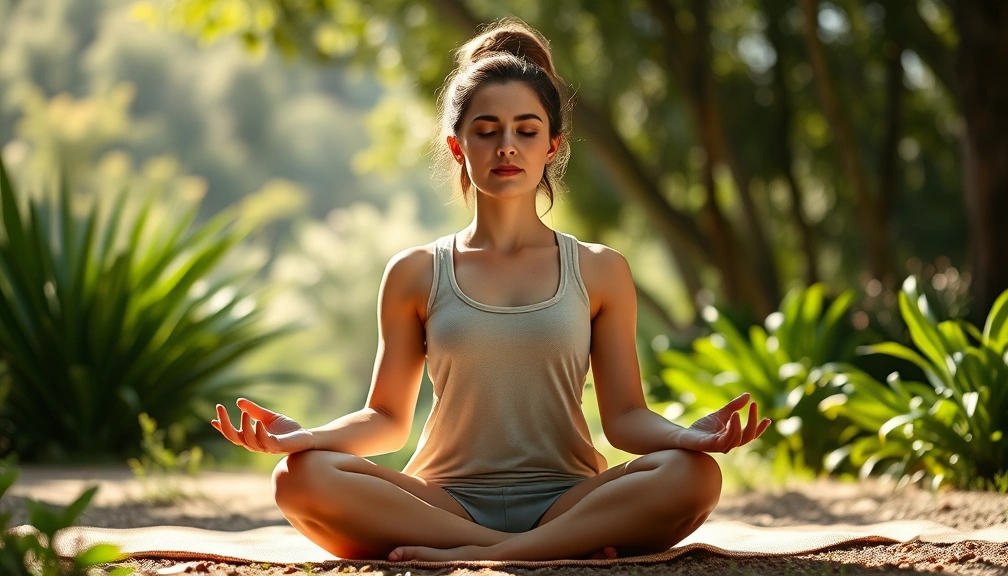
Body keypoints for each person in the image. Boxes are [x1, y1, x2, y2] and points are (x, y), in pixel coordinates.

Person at [211, 16, 771, 562]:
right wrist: (307, 437)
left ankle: (501, 552)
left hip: (568, 499)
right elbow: (385, 419)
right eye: (486, 131)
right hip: (443, 502)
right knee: (299, 477)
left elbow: (625, 417)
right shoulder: (415, 272)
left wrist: (685, 437)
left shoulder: (601, 270)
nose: (507, 146)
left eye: (526, 131)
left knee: (694, 476)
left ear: (552, 146)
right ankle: (540, 554)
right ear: (458, 147)